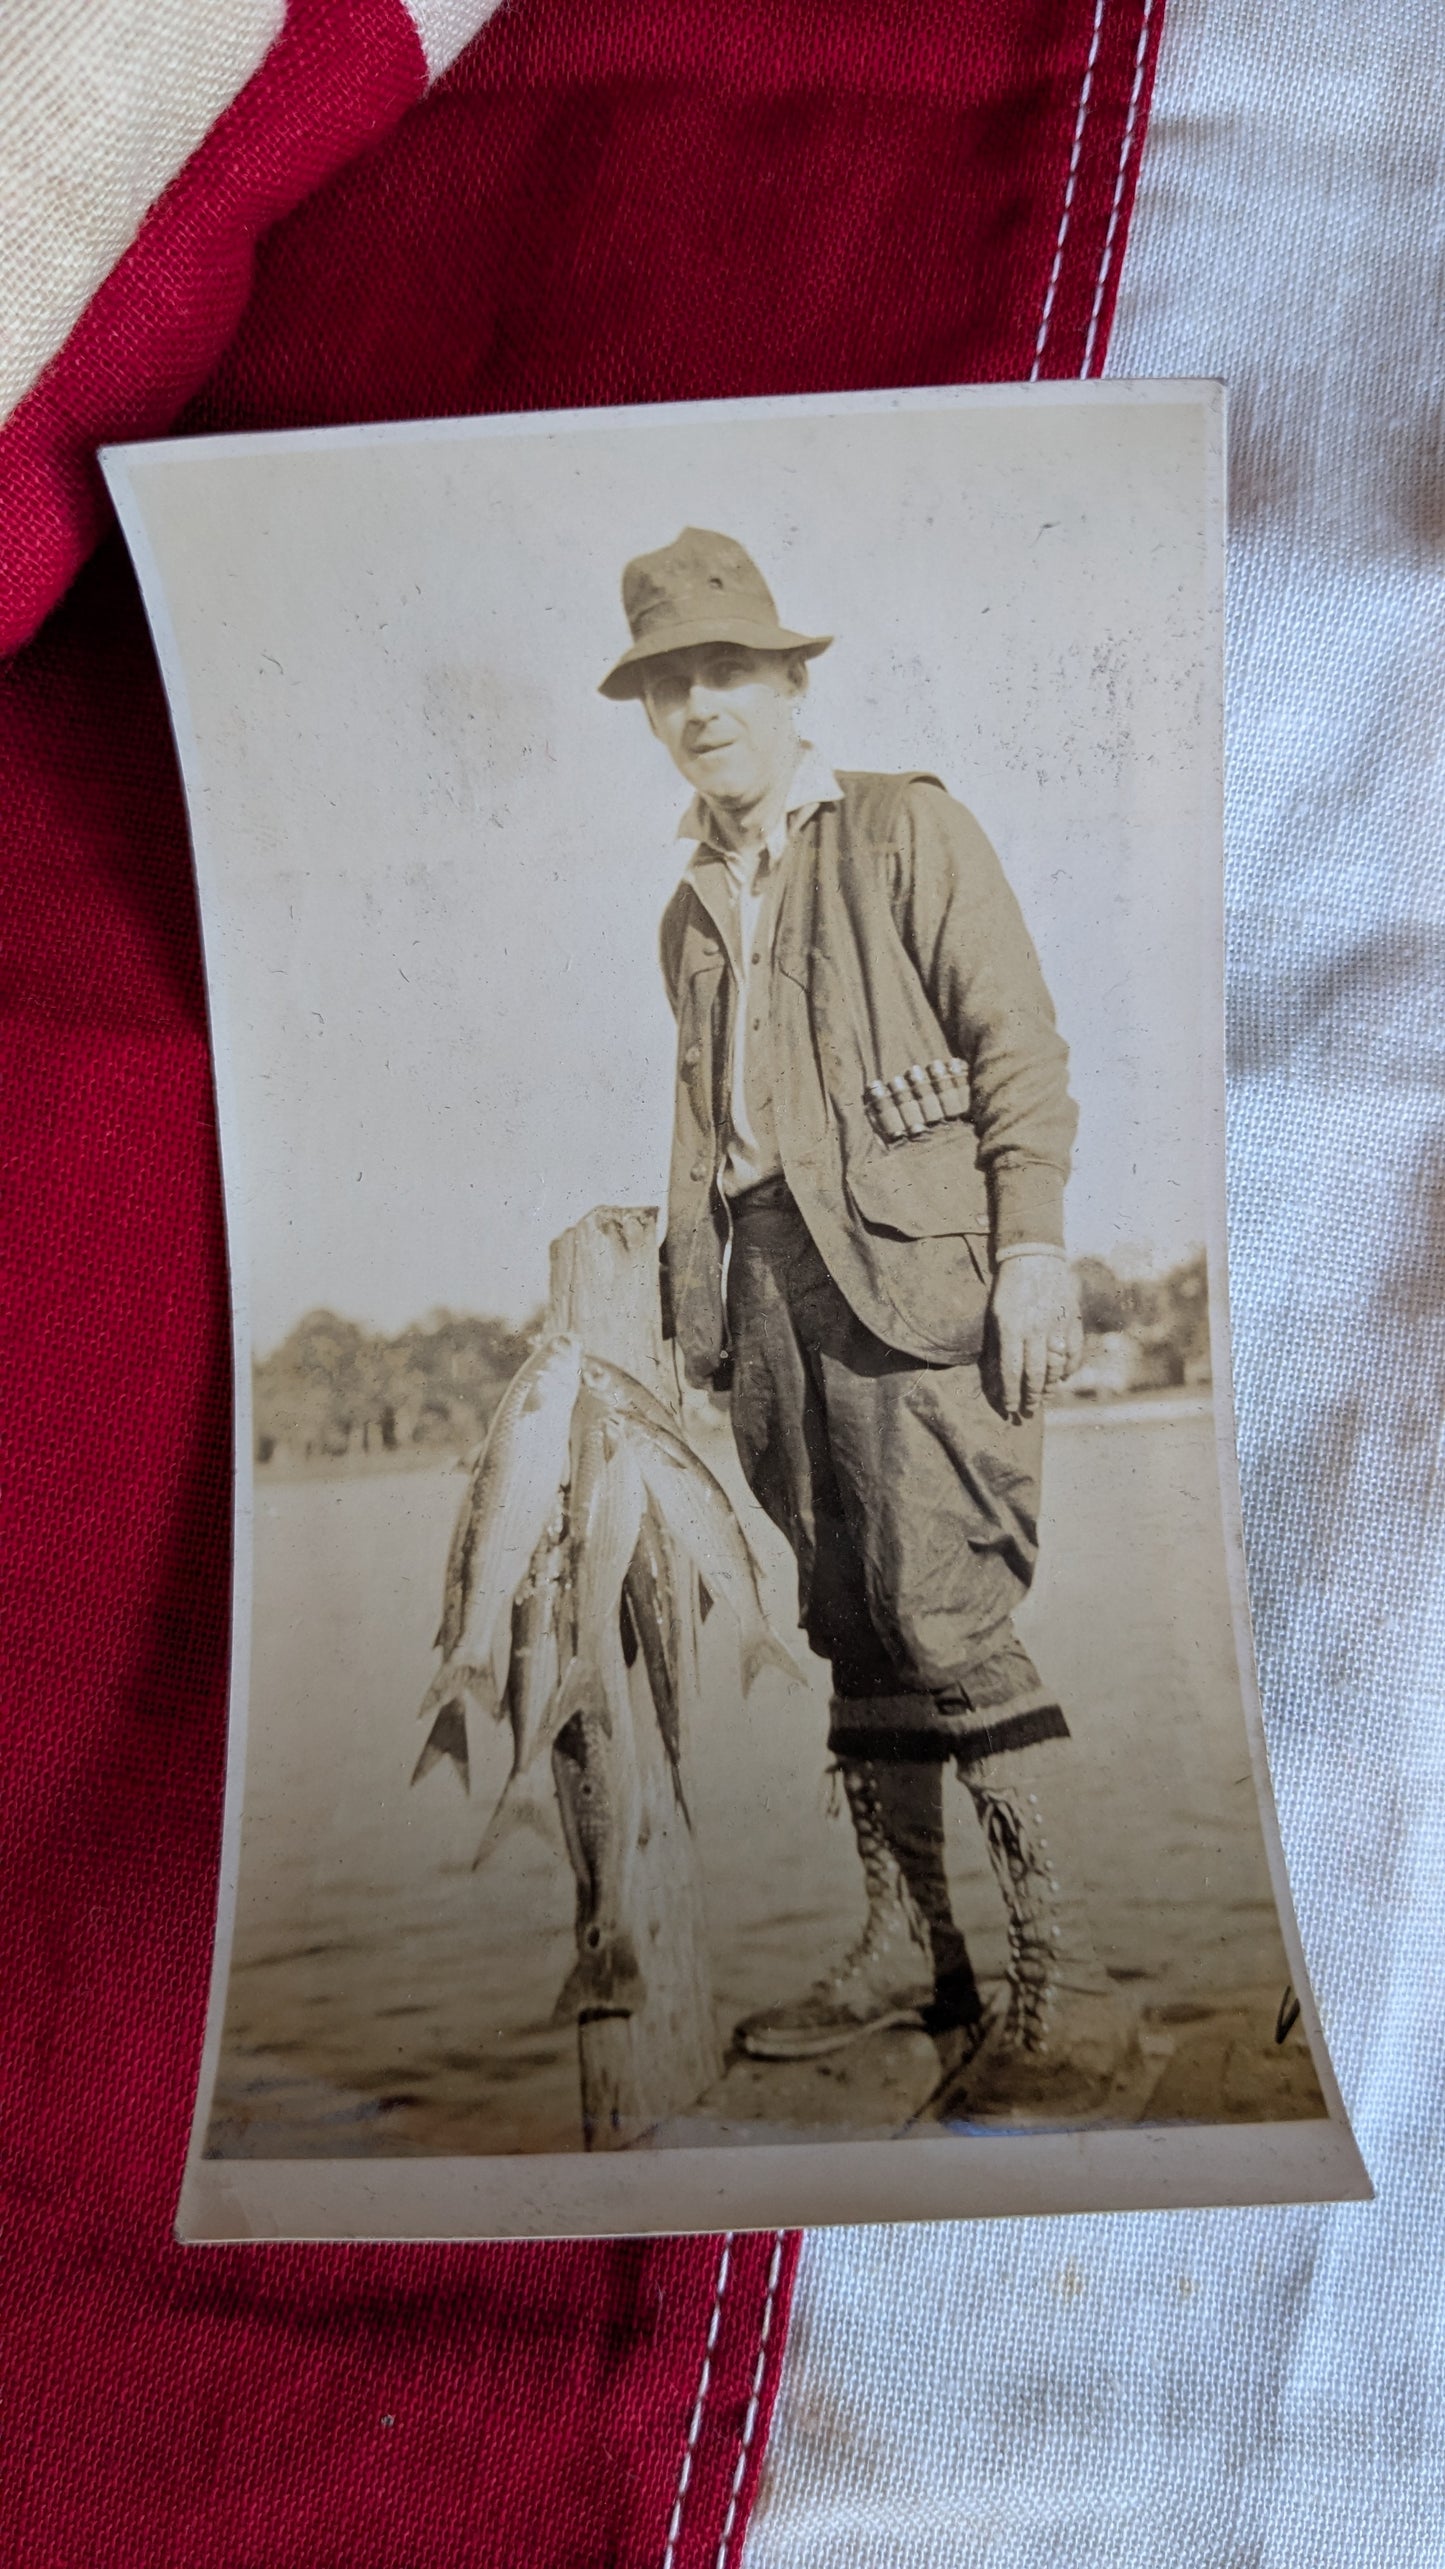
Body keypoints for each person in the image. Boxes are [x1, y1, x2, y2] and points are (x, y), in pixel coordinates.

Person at [599, 526, 1131, 2118]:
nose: (700, 709)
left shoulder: (904, 830)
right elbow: (706, 1132)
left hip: (917, 1291)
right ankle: (915, 1950)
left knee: (948, 1614)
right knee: (851, 1624)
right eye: (668, 685)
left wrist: (1032, 1251)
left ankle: (1077, 1985)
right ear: (650, 713)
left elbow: (1015, 1053)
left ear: (783, 683)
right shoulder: (685, 911)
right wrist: (691, 1313)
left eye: (724, 674)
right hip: (762, 1297)